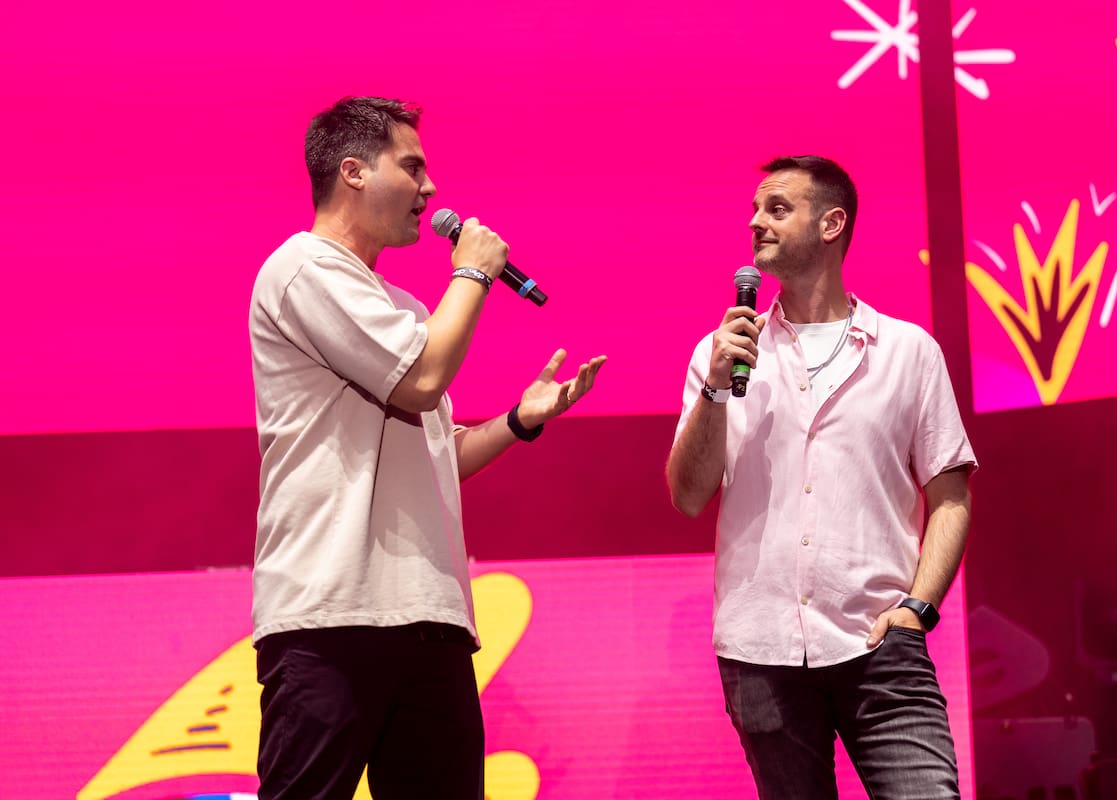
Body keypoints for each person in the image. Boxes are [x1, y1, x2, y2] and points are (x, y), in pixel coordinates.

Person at [248, 96, 605, 800]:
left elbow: (440, 451)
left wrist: (520, 420)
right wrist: (471, 271)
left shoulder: (402, 308)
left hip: (430, 619)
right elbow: (422, 380)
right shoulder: (302, 267)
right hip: (331, 617)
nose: (431, 190)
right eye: (412, 167)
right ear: (352, 171)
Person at [666, 155, 976, 799]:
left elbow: (950, 496)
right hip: (761, 647)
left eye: (777, 209)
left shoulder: (908, 350)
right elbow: (687, 495)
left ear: (832, 224)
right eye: (754, 210)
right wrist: (718, 389)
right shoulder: (720, 352)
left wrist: (919, 609)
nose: (756, 223)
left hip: (881, 643)